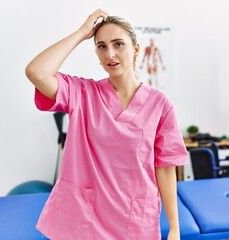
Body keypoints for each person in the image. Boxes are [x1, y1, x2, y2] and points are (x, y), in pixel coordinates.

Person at [25, 9, 187, 240]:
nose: (110, 53)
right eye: (102, 46)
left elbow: (165, 168)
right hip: (84, 217)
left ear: (136, 49)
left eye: (118, 44)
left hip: (134, 218)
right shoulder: (82, 93)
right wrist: (82, 33)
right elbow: (36, 72)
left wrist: (174, 227)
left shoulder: (159, 104)